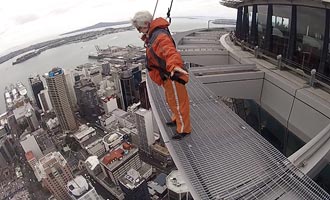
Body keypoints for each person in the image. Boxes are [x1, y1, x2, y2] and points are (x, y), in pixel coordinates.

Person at [132, 11, 191, 140]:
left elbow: (169, 52)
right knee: (172, 101)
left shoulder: (159, 36)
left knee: (178, 103)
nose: (139, 31)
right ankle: (177, 119)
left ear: (147, 24)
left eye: (140, 28)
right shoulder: (153, 35)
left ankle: (184, 129)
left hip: (172, 75)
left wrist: (174, 65)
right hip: (166, 76)